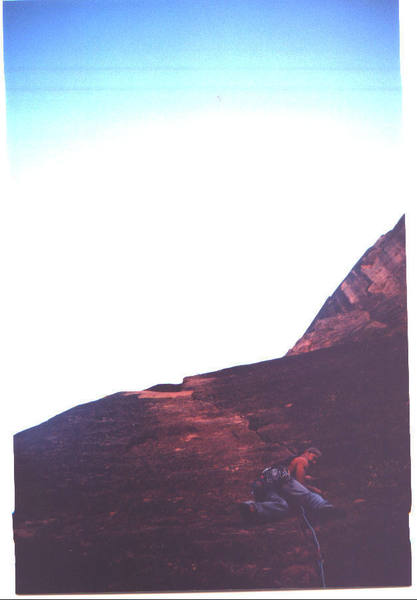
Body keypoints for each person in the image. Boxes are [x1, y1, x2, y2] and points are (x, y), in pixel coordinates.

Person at [239, 447, 345, 524]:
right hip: (279, 477)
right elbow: (300, 484)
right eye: (314, 457)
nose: (314, 462)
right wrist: (314, 489)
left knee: (282, 507)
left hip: (263, 484)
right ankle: (326, 508)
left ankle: (252, 507)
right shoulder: (302, 460)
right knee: (309, 496)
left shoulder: (290, 462)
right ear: (307, 452)